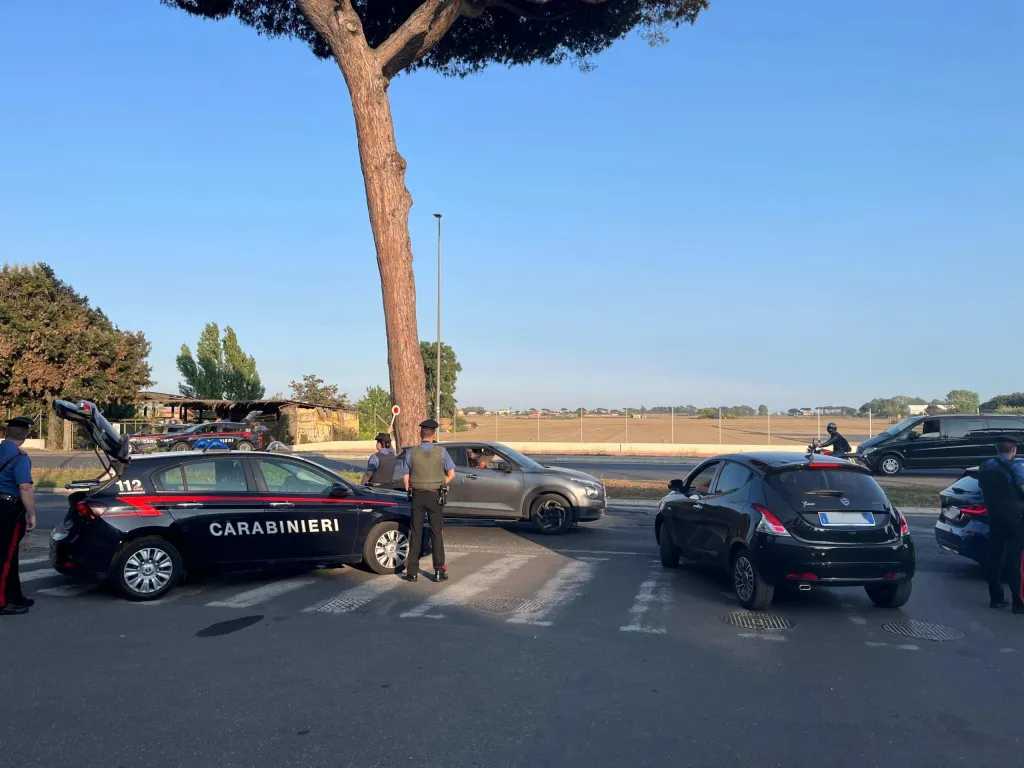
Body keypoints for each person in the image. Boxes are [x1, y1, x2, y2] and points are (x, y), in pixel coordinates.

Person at [400, 419, 456, 582]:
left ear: (420, 434)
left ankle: (412, 572)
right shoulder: (442, 452)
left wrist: (411, 489)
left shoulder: (411, 452)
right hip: (435, 496)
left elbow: (406, 478)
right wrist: (440, 483)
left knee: (416, 533)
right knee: (436, 533)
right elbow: (452, 474)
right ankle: (439, 571)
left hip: (417, 496)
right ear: (434, 435)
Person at [977, 436, 1024, 613]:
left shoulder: (985, 466)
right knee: (1015, 561)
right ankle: (1018, 603)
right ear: (1014, 449)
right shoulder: (1015, 466)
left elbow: (982, 489)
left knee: (994, 558)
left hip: (994, 517)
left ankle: (996, 599)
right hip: (1015, 519)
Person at [0, 417, 37, 616]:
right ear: (25, 435)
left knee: (10, 555)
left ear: (6, 433)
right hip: (8, 510)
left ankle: (15, 597)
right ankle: (3, 603)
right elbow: (25, 487)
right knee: (6, 558)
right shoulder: (20, 457)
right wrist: (32, 514)